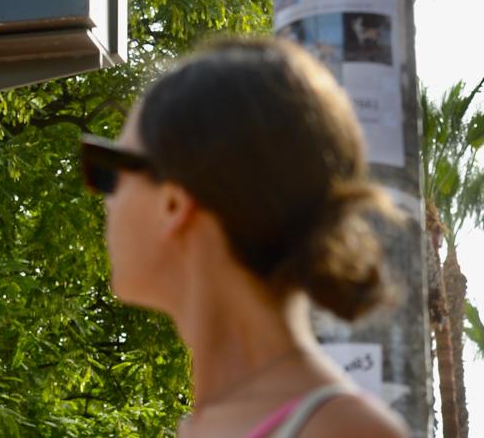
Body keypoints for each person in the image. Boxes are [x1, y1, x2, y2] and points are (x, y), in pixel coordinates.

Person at [78, 37, 407, 437]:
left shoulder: (342, 432)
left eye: (109, 172)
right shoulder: (204, 424)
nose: (104, 200)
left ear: (173, 204)